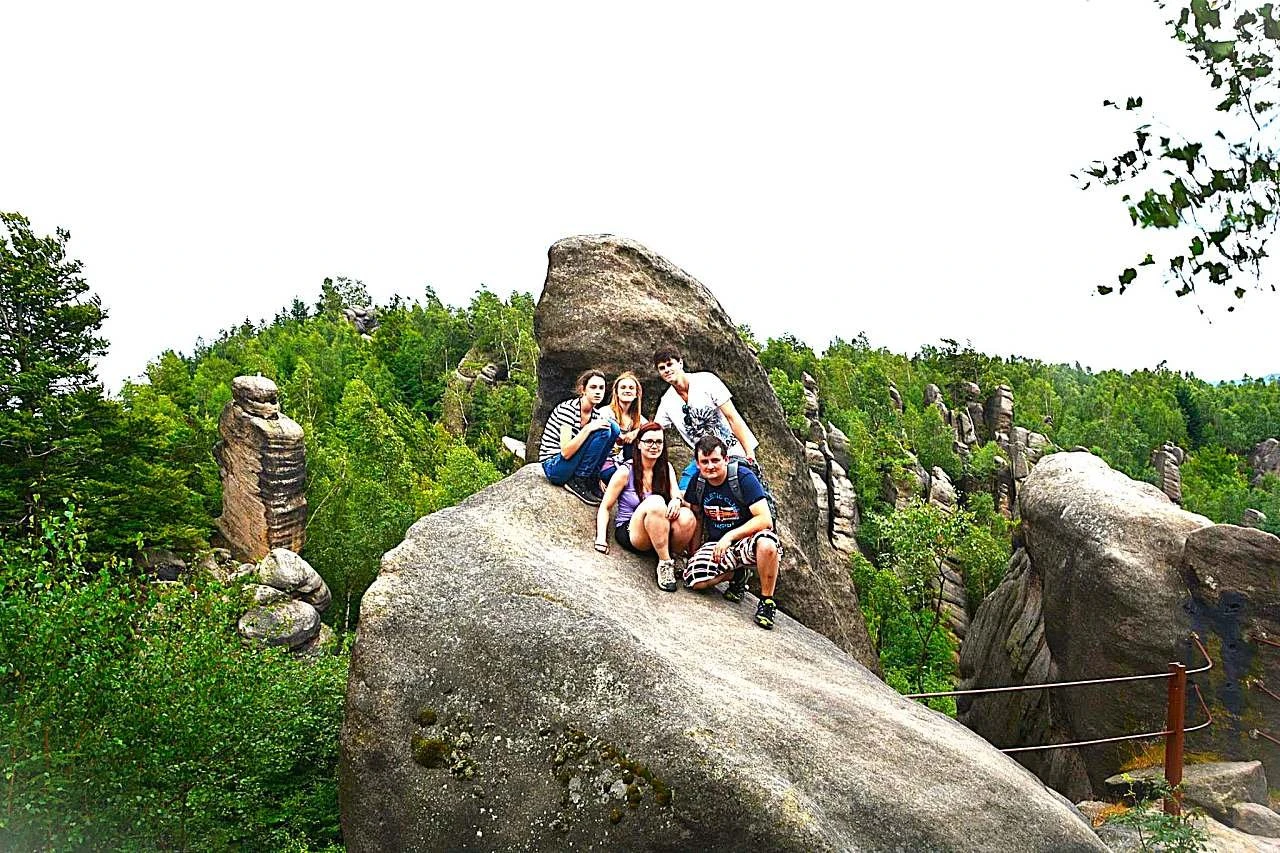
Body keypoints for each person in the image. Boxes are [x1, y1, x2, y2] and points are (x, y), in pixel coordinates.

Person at [682, 435, 780, 630]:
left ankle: (766, 602)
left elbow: (764, 519)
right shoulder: (698, 482)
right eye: (705, 462)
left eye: (715, 460)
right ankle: (737, 575)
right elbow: (697, 518)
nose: (710, 466)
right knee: (695, 580)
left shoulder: (743, 477)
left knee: (768, 544)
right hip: (718, 546)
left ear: (726, 459)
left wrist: (730, 536)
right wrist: (693, 554)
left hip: (747, 540)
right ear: (698, 464)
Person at [595, 421, 697, 591]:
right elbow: (605, 507)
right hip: (633, 532)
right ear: (639, 444)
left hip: (660, 529)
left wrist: (676, 501)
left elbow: (676, 494)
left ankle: (674, 555)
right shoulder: (625, 471)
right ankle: (665, 563)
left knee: (687, 517)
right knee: (656, 502)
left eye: (659, 442)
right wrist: (601, 539)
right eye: (649, 441)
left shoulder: (666, 468)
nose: (654, 446)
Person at [652, 346, 760, 490]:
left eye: (670, 364)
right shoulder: (667, 401)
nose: (667, 370)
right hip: (704, 459)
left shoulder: (706, 381)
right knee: (684, 491)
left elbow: (732, 417)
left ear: (680, 363)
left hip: (733, 451)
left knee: (744, 490)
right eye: (662, 368)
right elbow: (654, 429)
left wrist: (749, 453)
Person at [538, 369, 620, 505]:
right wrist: (588, 428)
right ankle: (579, 480)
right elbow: (565, 452)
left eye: (601, 388)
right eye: (593, 387)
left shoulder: (596, 415)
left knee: (613, 428)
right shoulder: (567, 410)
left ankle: (592, 478)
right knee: (603, 430)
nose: (598, 392)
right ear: (583, 390)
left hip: (572, 463)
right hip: (555, 466)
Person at [601, 371, 645, 466]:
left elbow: (653, 428)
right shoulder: (605, 412)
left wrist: (636, 432)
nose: (627, 390)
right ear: (616, 392)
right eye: (623, 387)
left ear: (636, 393)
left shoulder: (638, 418)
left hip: (628, 462)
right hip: (605, 460)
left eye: (631, 388)